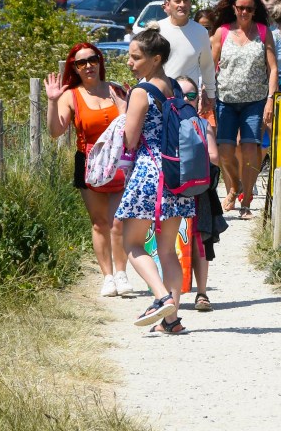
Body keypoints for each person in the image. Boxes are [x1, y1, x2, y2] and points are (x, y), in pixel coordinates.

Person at [116, 28, 195, 334]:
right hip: (177, 173)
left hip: (149, 172)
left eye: (135, 57)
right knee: (167, 249)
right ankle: (172, 321)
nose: (129, 62)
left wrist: (123, 111)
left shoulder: (141, 92)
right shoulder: (175, 88)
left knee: (132, 243)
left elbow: (131, 139)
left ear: (155, 58)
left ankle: (161, 298)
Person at [44, 43, 132, 298]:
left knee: (118, 222)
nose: (88, 66)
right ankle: (107, 277)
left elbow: (130, 124)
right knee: (99, 223)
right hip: (88, 163)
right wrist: (51, 102)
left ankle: (122, 273)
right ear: (75, 68)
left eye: (92, 60)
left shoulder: (116, 90)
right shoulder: (71, 95)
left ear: (100, 61)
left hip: (119, 161)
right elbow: (55, 131)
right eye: (81, 63)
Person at [211, 0, 279, 217]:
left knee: (250, 150)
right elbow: (210, 67)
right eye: (240, 8)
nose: (245, 12)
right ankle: (234, 184)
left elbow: (273, 68)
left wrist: (270, 99)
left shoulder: (263, 32)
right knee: (225, 151)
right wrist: (207, 96)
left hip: (255, 101)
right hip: (226, 100)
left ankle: (246, 200)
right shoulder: (221, 32)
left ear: (254, 10)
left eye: (249, 8)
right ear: (233, 8)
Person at [176, 76, 223, 313]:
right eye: (180, 94)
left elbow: (214, 157)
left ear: (198, 100)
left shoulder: (204, 126)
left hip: (199, 191)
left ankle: (202, 293)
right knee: (172, 243)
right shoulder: (168, 124)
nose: (185, 99)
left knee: (200, 242)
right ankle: (170, 295)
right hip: (173, 191)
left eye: (191, 95)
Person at [157, 0, 216, 120]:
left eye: (186, 1)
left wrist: (210, 94)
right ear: (167, 4)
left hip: (187, 101)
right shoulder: (156, 29)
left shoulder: (201, 32)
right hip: (159, 97)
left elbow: (207, 66)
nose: (182, 5)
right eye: (177, 1)